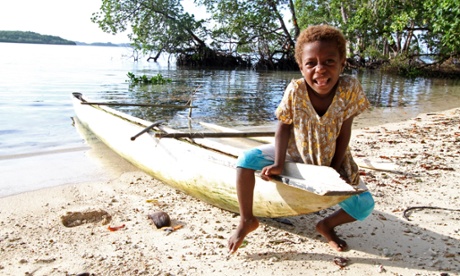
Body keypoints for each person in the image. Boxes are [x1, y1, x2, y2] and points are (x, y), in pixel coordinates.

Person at [227, 25, 375, 253]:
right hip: (294, 151)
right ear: (301, 66)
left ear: (342, 63)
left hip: (331, 155)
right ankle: (247, 219)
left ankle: (326, 225)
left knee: (365, 205)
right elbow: (283, 128)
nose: (320, 70)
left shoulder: (349, 88)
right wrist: (277, 163)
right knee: (245, 159)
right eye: (311, 63)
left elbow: (345, 132)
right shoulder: (295, 89)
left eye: (329, 62)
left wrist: (333, 170)